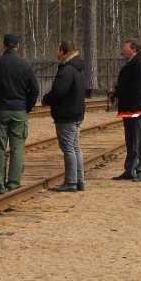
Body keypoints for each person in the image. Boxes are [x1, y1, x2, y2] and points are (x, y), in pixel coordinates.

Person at [0, 33, 40, 194]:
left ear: (3, 45)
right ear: (17, 45)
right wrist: (27, 107)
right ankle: (13, 183)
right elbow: (34, 89)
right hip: (19, 111)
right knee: (17, 148)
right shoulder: (25, 64)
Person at [41, 40, 85, 192]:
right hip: (76, 112)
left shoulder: (66, 70)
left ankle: (71, 182)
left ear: (62, 51)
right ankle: (79, 180)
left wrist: (46, 100)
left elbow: (59, 91)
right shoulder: (76, 68)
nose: (56, 51)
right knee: (75, 147)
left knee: (68, 148)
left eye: (57, 49)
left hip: (67, 114)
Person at [108, 37, 141, 182]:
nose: (123, 48)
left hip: (136, 109)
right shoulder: (130, 64)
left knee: (140, 140)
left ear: (134, 49)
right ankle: (129, 170)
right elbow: (126, 85)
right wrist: (116, 92)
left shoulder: (139, 64)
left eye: (126, 46)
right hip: (128, 108)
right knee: (130, 140)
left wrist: (133, 108)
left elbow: (139, 88)